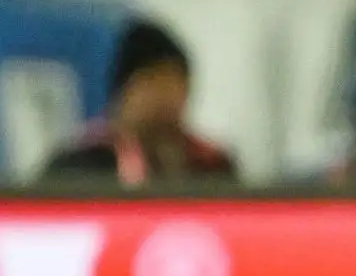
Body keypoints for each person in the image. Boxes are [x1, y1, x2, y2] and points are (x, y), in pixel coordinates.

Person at [41, 18, 236, 186]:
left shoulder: (212, 165)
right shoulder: (81, 164)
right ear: (123, 91)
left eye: (177, 83)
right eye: (154, 82)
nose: (167, 97)